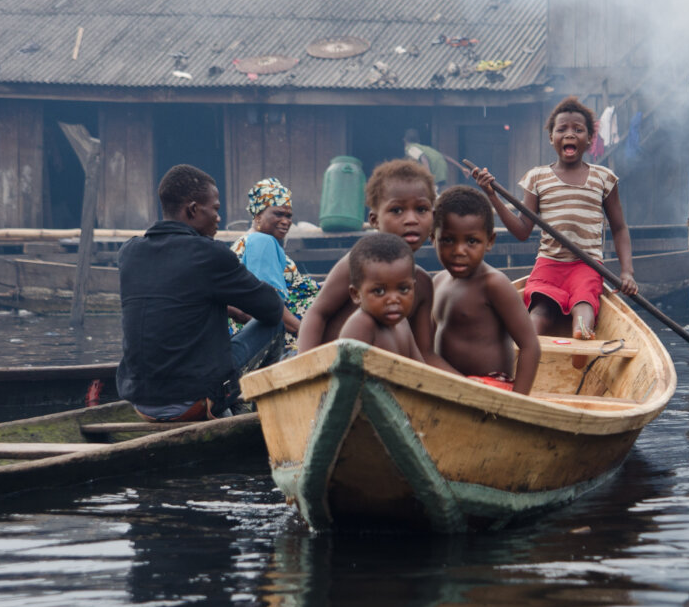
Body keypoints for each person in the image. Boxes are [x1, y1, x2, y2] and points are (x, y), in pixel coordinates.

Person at [473, 95, 637, 368]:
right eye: (562, 129)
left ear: (589, 139)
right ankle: (523, 352)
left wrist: (627, 272)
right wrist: (492, 196)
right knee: (541, 309)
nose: (569, 134)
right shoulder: (537, 178)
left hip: (586, 264)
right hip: (548, 264)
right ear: (551, 138)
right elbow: (523, 230)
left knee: (584, 302)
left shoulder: (603, 178)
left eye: (577, 129)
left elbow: (619, 228)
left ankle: (581, 339)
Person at [116, 164, 284, 421]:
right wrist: (236, 308)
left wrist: (226, 307)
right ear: (193, 209)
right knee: (275, 325)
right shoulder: (210, 254)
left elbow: (174, 300)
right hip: (192, 401)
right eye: (215, 209)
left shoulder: (129, 253)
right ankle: (264, 417)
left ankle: (235, 407)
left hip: (140, 402)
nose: (218, 217)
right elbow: (272, 308)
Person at [298, 159, 454, 372]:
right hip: (335, 377)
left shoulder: (423, 284)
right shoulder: (355, 264)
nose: (411, 219)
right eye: (397, 210)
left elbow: (424, 354)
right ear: (374, 220)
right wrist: (304, 372)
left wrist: (470, 387)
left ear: (433, 217)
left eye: (421, 209)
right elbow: (317, 314)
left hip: (383, 385)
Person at [431, 186, 540, 394]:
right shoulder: (437, 282)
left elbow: (530, 346)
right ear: (433, 237)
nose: (459, 251)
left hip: (491, 389)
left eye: (472, 241)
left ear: (489, 241)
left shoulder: (493, 284)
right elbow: (424, 349)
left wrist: (518, 404)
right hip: (451, 386)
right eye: (448, 240)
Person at [229, 177, 320, 348]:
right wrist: (302, 331)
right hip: (283, 337)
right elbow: (266, 301)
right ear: (258, 215)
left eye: (288, 215)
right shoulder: (261, 242)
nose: (286, 221)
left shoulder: (255, 241)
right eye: (278, 214)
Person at [338, 233, 424, 361]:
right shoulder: (362, 325)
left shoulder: (402, 323)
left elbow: (421, 372)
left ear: (414, 288)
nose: (394, 299)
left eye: (404, 289)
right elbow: (346, 376)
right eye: (379, 291)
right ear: (356, 294)